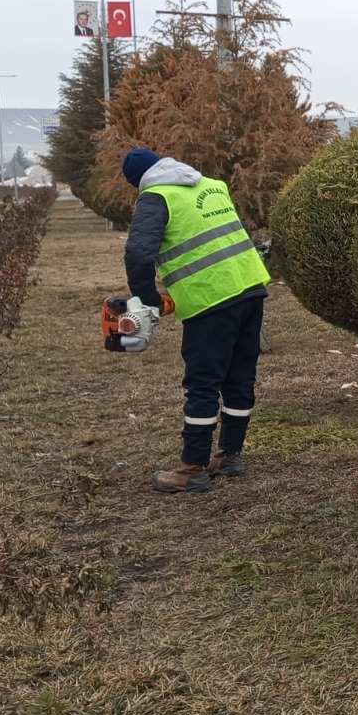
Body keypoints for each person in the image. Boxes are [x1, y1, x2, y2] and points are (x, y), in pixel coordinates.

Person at [122, 149, 270, 494]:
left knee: (203, 384)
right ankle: (229, 454)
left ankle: (192, 468)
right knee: (240, 376)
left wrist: (148, 301)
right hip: (250, 288)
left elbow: (139, 254)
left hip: (210, 299)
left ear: (139, 182)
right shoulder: (212, 186)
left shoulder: (156, 196)